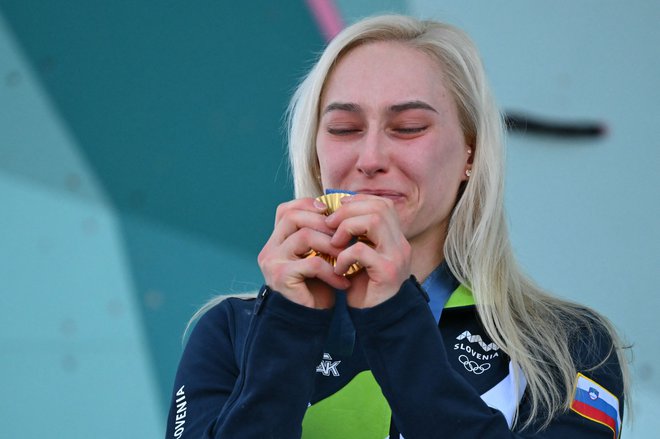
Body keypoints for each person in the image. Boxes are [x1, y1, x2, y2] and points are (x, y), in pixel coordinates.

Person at [166, 14, 629, 439]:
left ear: (471, 151)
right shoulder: (232, 331)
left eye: (408, 127)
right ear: (315, 154)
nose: (370, 160)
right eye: (344, 128)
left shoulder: (568, 344)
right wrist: (288, 324)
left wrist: (393, 316)